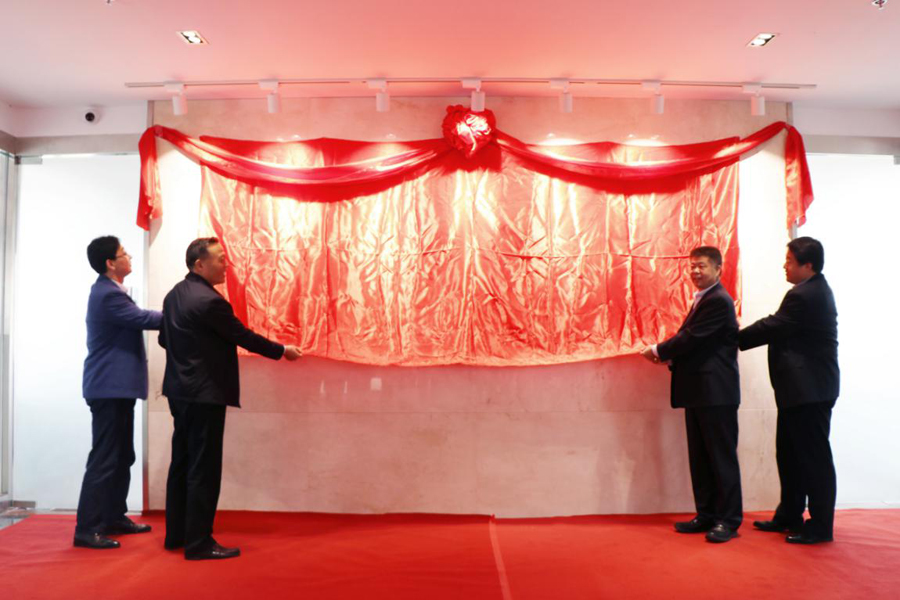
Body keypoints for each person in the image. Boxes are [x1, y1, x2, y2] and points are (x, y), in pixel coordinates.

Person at [159, 237, 302, 560]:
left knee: (181, 463)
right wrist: (282, 351)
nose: (227, 264)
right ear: (200, 264)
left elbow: (165, 340)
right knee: (204, 468)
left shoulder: (174, 295)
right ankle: (199, 543)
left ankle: (176, 536)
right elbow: (243, 337)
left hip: (179, 392)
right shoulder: (210, 302)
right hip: (204, 394)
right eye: (220, 259)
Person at [738, 236, 839, 544]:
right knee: (790, 455)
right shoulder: (811, 290)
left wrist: (733, 337)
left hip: (810, 391)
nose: (785, 265)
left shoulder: (805, 295)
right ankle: (789, 515)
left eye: (790, 261)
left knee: (813, 460)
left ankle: (820, 527)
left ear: (808, 265)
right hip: (800, 392)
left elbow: (774, 325)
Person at [640, 246, 742, 543]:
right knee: (701, 458)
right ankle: (707, 514)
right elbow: (697, 344)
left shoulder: (718, 300)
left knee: (721, 458)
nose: (696, 271)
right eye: (692, 266)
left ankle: (728, 521)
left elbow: (691, 338)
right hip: (700, 392)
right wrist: (670, 356)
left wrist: (658, 350)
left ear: (718, 269)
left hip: (716, 393)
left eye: (702, 266)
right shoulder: (704, 299)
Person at [74, 236, 162, 549]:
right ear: (111, 263)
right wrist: (183, 314)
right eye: (124, 254)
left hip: (117, 389)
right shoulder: (107, 294)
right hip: (108, 388)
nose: (130, 258)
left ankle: (113, 516)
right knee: (105, 458)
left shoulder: (112, 291)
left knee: (123, 455)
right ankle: (88, 528)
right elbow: (143, 319)